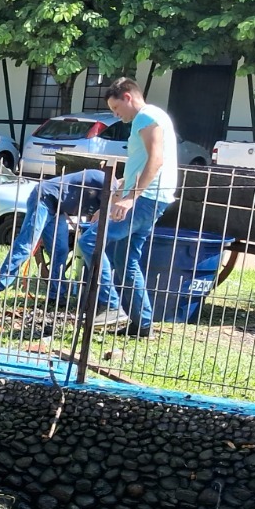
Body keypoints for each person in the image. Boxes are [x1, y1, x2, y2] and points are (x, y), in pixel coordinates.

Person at [76, 78, 179, 337]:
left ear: (127, 97)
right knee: (126, 260)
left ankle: (111, 306)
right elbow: (136, 168)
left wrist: (131, 197)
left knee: (89, 242)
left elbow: (156, 160)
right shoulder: (149, 118)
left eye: (115, 108)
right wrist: (111, 203)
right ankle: (143, 325)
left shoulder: (147, 117)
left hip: (145, 199)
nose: (115, 114)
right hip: (151, 199)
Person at [0, 168, 108, 305]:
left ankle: (55, 295)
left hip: (59, 209)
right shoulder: (107, 182)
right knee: (26, 246)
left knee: (60, 251)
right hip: (44, 199)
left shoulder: (109, 189)